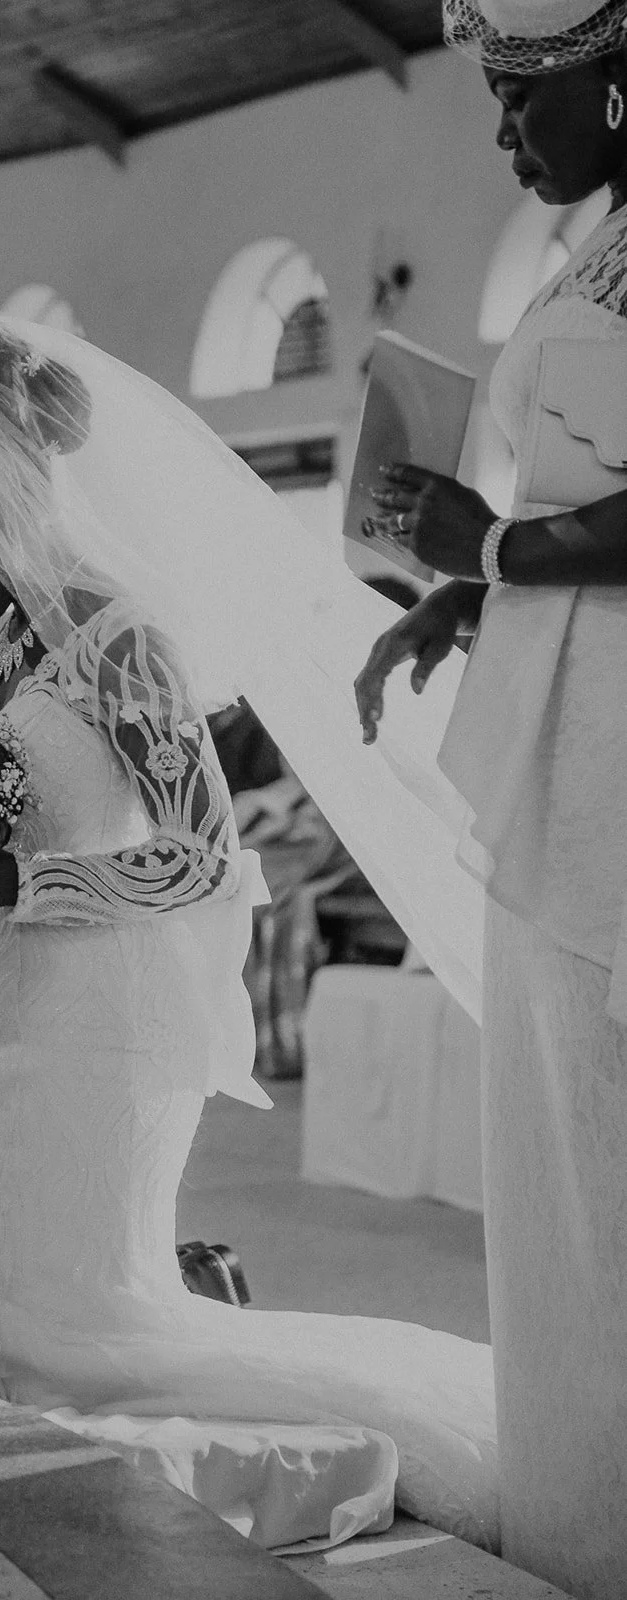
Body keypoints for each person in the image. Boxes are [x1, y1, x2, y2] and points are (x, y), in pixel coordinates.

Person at [0, 313, 499, 1555]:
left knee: (85, 1325)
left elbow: (203, 861)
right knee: (2, 1323)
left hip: (105, 1028)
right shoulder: (3, 656)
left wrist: (26, 896)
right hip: (13, 1023)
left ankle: (173, 1524)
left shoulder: (119, 635)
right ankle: (43, 1544)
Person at [355, 3, 627, 1591]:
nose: (503, 132)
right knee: (557, 1177)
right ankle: (586, 1527)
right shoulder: (584, 249)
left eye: (527, 96)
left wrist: (495, 556)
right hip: (561, 751)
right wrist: (460, 597)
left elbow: (552, 526)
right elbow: (560, 497)